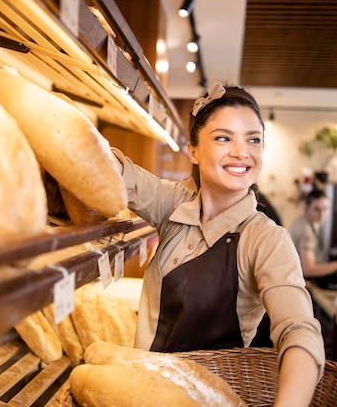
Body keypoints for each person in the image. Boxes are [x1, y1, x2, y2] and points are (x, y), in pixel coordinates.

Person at [111, 81, 325, 406]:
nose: (241, 152)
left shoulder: (265, 238)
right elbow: (119, 175)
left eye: (253, 140)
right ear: (193, 151)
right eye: (224, 138)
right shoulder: (174, 204)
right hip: (143, 393)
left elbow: (298, 330)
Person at [288, 189, 337, 279]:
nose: (322, 214)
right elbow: (308, 269)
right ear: (307, 208)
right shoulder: (307, 231)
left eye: (325, 209)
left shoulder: (304, 221)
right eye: (317, 209)